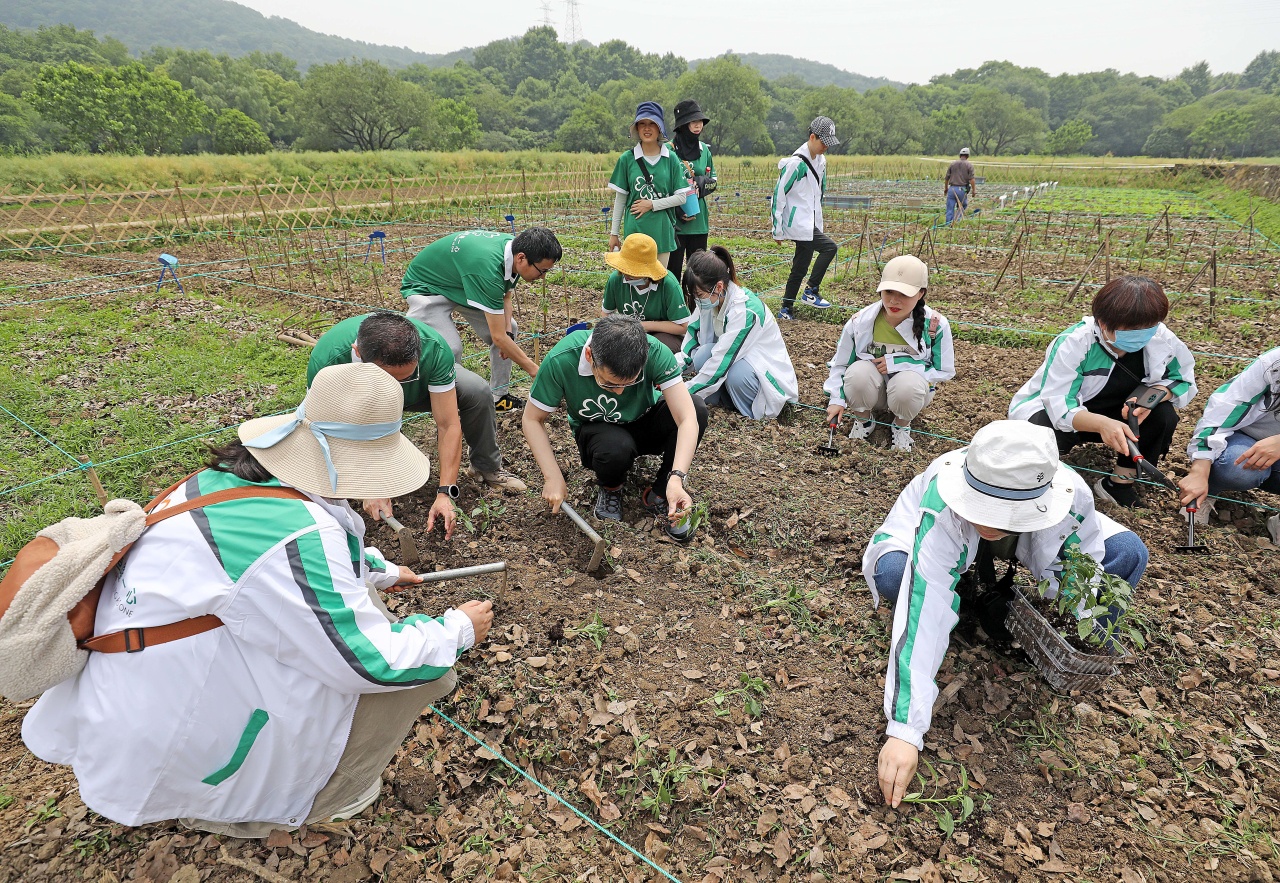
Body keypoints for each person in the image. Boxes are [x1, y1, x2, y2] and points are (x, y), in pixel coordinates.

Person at [22, 363, 494, 836]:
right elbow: (370, 662)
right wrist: (456, 629)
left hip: (134, 684)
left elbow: (277, 566)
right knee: (424, 673)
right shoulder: (299, 536)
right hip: (175, 724)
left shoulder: (225, 482)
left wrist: (381, 571)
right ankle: (323, 795)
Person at [863, 420, 1148, 808]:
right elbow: (923, 606)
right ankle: (968, 591)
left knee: (1129, 552)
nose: (992, 521)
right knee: (898, 577)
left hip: (1024, 538)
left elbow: (1085, 568)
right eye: (986, 509)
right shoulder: (942, 501)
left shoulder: (1068, 493)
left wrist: (1066, 629)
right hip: (928, 545)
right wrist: (904, 731)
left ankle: (995, 602)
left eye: (1006, 512)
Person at [308, 312, 526, 522]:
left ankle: (486, 466)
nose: (394, 387)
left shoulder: (434, 348)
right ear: (357, 352)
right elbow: (325, 428)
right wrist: (370, 484)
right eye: (388, 377)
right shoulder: (329, 360)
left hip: (420, 392)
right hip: (356, 402)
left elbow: (448, 424)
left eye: (405, 375)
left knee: (475, 391)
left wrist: (445, 493)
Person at [1008, 276, 1197, 508]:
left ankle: (1118, 484)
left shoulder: (1162, 339)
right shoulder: (1076, 342)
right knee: (1041, 430)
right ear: (1103, 323)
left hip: (1122, 411)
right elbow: (1059, 404)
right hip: (1073, 412)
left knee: (1163, 415)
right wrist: (1101, 424)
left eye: (1148, 328)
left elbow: (1182, 379)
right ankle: (1040, 481)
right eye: (1131, 330)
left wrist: (1153, 398)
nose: (1141, 335)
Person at [522, 313, 708, 537]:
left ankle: (662, 493)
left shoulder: (655, 351)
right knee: (614, 448)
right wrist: (552, 477)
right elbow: (532, 419)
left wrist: (677, 478)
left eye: (631, 382)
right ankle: (611, 487)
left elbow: (686, 417)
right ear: (590, 356)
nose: (620, 392)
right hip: (599, 431)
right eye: (609, 384)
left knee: (696, 409)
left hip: (643, 419)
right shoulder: (562, 360)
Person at [401, 227, 562, 413]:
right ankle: (450, 405)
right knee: (450, 348)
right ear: (521, 258)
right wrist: (535, 371)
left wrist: (508, 332)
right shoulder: (488, 270)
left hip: (462, 283)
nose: (542, 277)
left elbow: (506, 297)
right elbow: (498, 337)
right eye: (541, 271)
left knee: (512, 328)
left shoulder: (513, 251)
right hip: (428, 287)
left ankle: (498, 396)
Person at [824, 255, 954, 452]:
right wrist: (836, 399)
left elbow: (944, 370)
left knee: (907, 386)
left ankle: (901, 425)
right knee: (857, 372)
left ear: (921, 293)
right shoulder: (860, 322)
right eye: (889, 291)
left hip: (909, 394)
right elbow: (840, 364)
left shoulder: (936, 325)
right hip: (872, 391)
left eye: (904, 294)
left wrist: (900, 362)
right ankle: (864, 421)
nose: (894, 300)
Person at [678, 246, 798, 421]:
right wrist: (666, 376)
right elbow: (688, 349)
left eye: (699, 294)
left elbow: (722, 360)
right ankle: (724, 402)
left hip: (761, 376)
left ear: (718, 286)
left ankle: (749, 415)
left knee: (736, 373)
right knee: (703, 354)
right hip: (734, 363)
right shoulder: (708, 300)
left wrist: (681, 394)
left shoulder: (746, 311)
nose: (696, 300)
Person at [1178, 346, 1280, 542]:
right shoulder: (1273, 364)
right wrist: (1199, 472)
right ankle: (1207, 491)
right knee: (1239, 469)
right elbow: (1222, 411)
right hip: (1244, 437)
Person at [608, 101, 694, 267]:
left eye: (652, 124)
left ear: (660, 127)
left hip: (662, 231)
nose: (647, 128)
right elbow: (620, 200)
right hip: (635, 232)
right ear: (637, 129)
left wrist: (652, 204)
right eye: (642, 124)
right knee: (634, 280)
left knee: (658, 281)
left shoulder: (671, 159)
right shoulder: (627, 159)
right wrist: (614, 234)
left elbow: (681, 197)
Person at [772, 116, 840, 320]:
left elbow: (820, 191)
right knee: (830, 248)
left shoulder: (821, 161)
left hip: (810, 221)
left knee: (800, 266)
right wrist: (777, 229)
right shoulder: (795, 164)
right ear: (812, 137)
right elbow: (779, 194)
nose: (826, 147)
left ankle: (786, 309)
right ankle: (811, 290)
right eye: (823, 142)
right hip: (797, 222)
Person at [601, 233, 692, 353]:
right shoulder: (616, 280)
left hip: (666, 335)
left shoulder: (668, 285)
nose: (626, 274)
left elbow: (684, 327)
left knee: (650, 351)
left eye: (632, 270)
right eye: (624, 268)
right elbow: (605, 314)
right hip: (630, 332)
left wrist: (645, 325)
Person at [668, 99, 717, 282]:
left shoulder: (704, 150)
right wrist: (677, 208)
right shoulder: (668, 151)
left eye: (700, 122)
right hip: (675, 223)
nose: (698, 125)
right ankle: (675, 310)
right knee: (672, 273)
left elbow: (714, 181)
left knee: (697, 275)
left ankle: (695, 309)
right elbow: (662, 186)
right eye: (693, 122)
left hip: (699, 222)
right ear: (682, 125)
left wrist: (701, 182)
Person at [944, 148, 976, 224]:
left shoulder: (952, 164)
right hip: (962, 189)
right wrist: (974, 190)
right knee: (962, 205)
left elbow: (946, 178)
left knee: (950, 208)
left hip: (951, 189)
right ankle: (956, 221)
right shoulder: (969, 165)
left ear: (960, 155)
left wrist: (946, 188)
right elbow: (972, 179)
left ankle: (948, 224)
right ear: (968, 156)